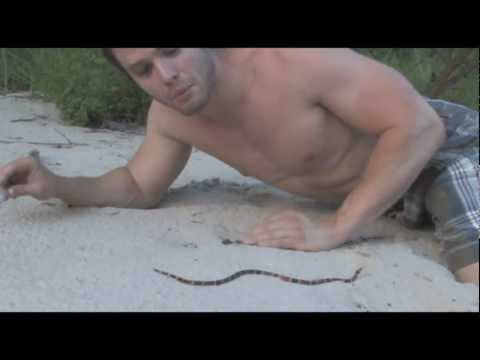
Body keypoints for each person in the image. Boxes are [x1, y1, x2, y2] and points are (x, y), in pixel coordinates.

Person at [0, 48, 478, 284]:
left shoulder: (294, 61)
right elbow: (137, 186)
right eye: (143, 69)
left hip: (445, 149)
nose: (167, 76)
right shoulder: (171, 117)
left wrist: (337, 227)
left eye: (171, 49)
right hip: (396, 194)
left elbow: (417, 125)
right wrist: (56, 184)